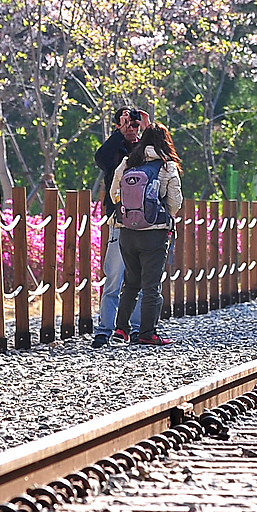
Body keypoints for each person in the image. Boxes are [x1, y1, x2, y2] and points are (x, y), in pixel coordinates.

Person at [108, 123, 183, 346]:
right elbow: (175, 203)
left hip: (127, 232)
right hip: (154, 235)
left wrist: (133, 213)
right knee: (151, 285)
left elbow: (114, 195)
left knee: (130, 283)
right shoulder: (167, 166)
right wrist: (158, 214)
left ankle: (121, 330)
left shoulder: (128, 162)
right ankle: (147, 333)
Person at [91, 107, 146, 348]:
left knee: (142, 278)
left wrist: (148, 128)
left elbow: (166, 157)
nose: (132, 128)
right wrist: (119, 134)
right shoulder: (113, 150)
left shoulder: (147, 148)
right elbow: (101, 159)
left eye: (134, 124)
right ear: (117, 126)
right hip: (119, 220)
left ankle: (136, 328)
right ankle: (105, 329)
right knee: (114, 276)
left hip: (146, 221)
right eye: (127, 123)